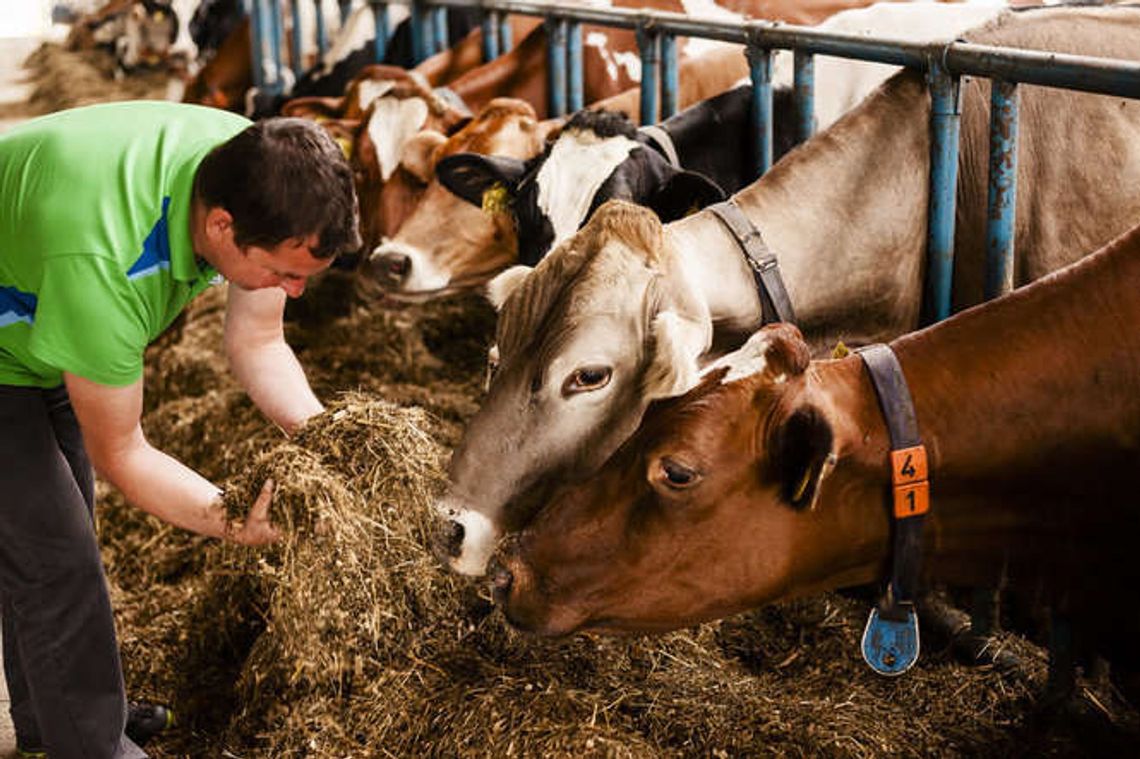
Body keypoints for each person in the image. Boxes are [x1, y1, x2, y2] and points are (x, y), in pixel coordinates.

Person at [0, 100, 361, 758]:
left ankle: (58, 716)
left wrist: (329, 439)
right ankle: (89, 745)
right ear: (221, 228)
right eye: (285, 273)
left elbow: (258, 341)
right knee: (55, 548)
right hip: (27, 317)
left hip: (37, 298)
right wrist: (232, 519)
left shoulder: (258, 173)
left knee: (61, 516)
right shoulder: (104, 260)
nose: (295, 290)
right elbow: (124, 452)